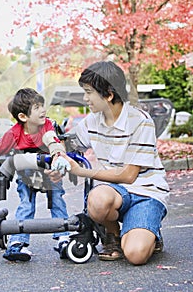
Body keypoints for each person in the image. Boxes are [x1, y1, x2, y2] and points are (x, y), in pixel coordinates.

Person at [48, 61, 170, 266]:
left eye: (89, 92)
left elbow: (128, 176)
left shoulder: (140, 121)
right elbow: (68, 145)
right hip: (115, 193)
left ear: (109, 94)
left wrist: (82, 172)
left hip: (147, 194)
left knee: (136, 255)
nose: (85, 98)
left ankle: (150, 229)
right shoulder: (92, 121)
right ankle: (112, 237)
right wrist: (58, 157)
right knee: (97, 199)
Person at [0, 88, 71, 262]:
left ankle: (63, 238)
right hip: (26, 173)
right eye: (37, 107)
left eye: (42, 105)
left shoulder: (47, 125)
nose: (43, 110)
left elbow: (53, 140)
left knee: (57, 199)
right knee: (26, 204)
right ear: (23, 117)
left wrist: (57, 155)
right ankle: (17, 242)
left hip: (49, 170)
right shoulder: (14, 133)